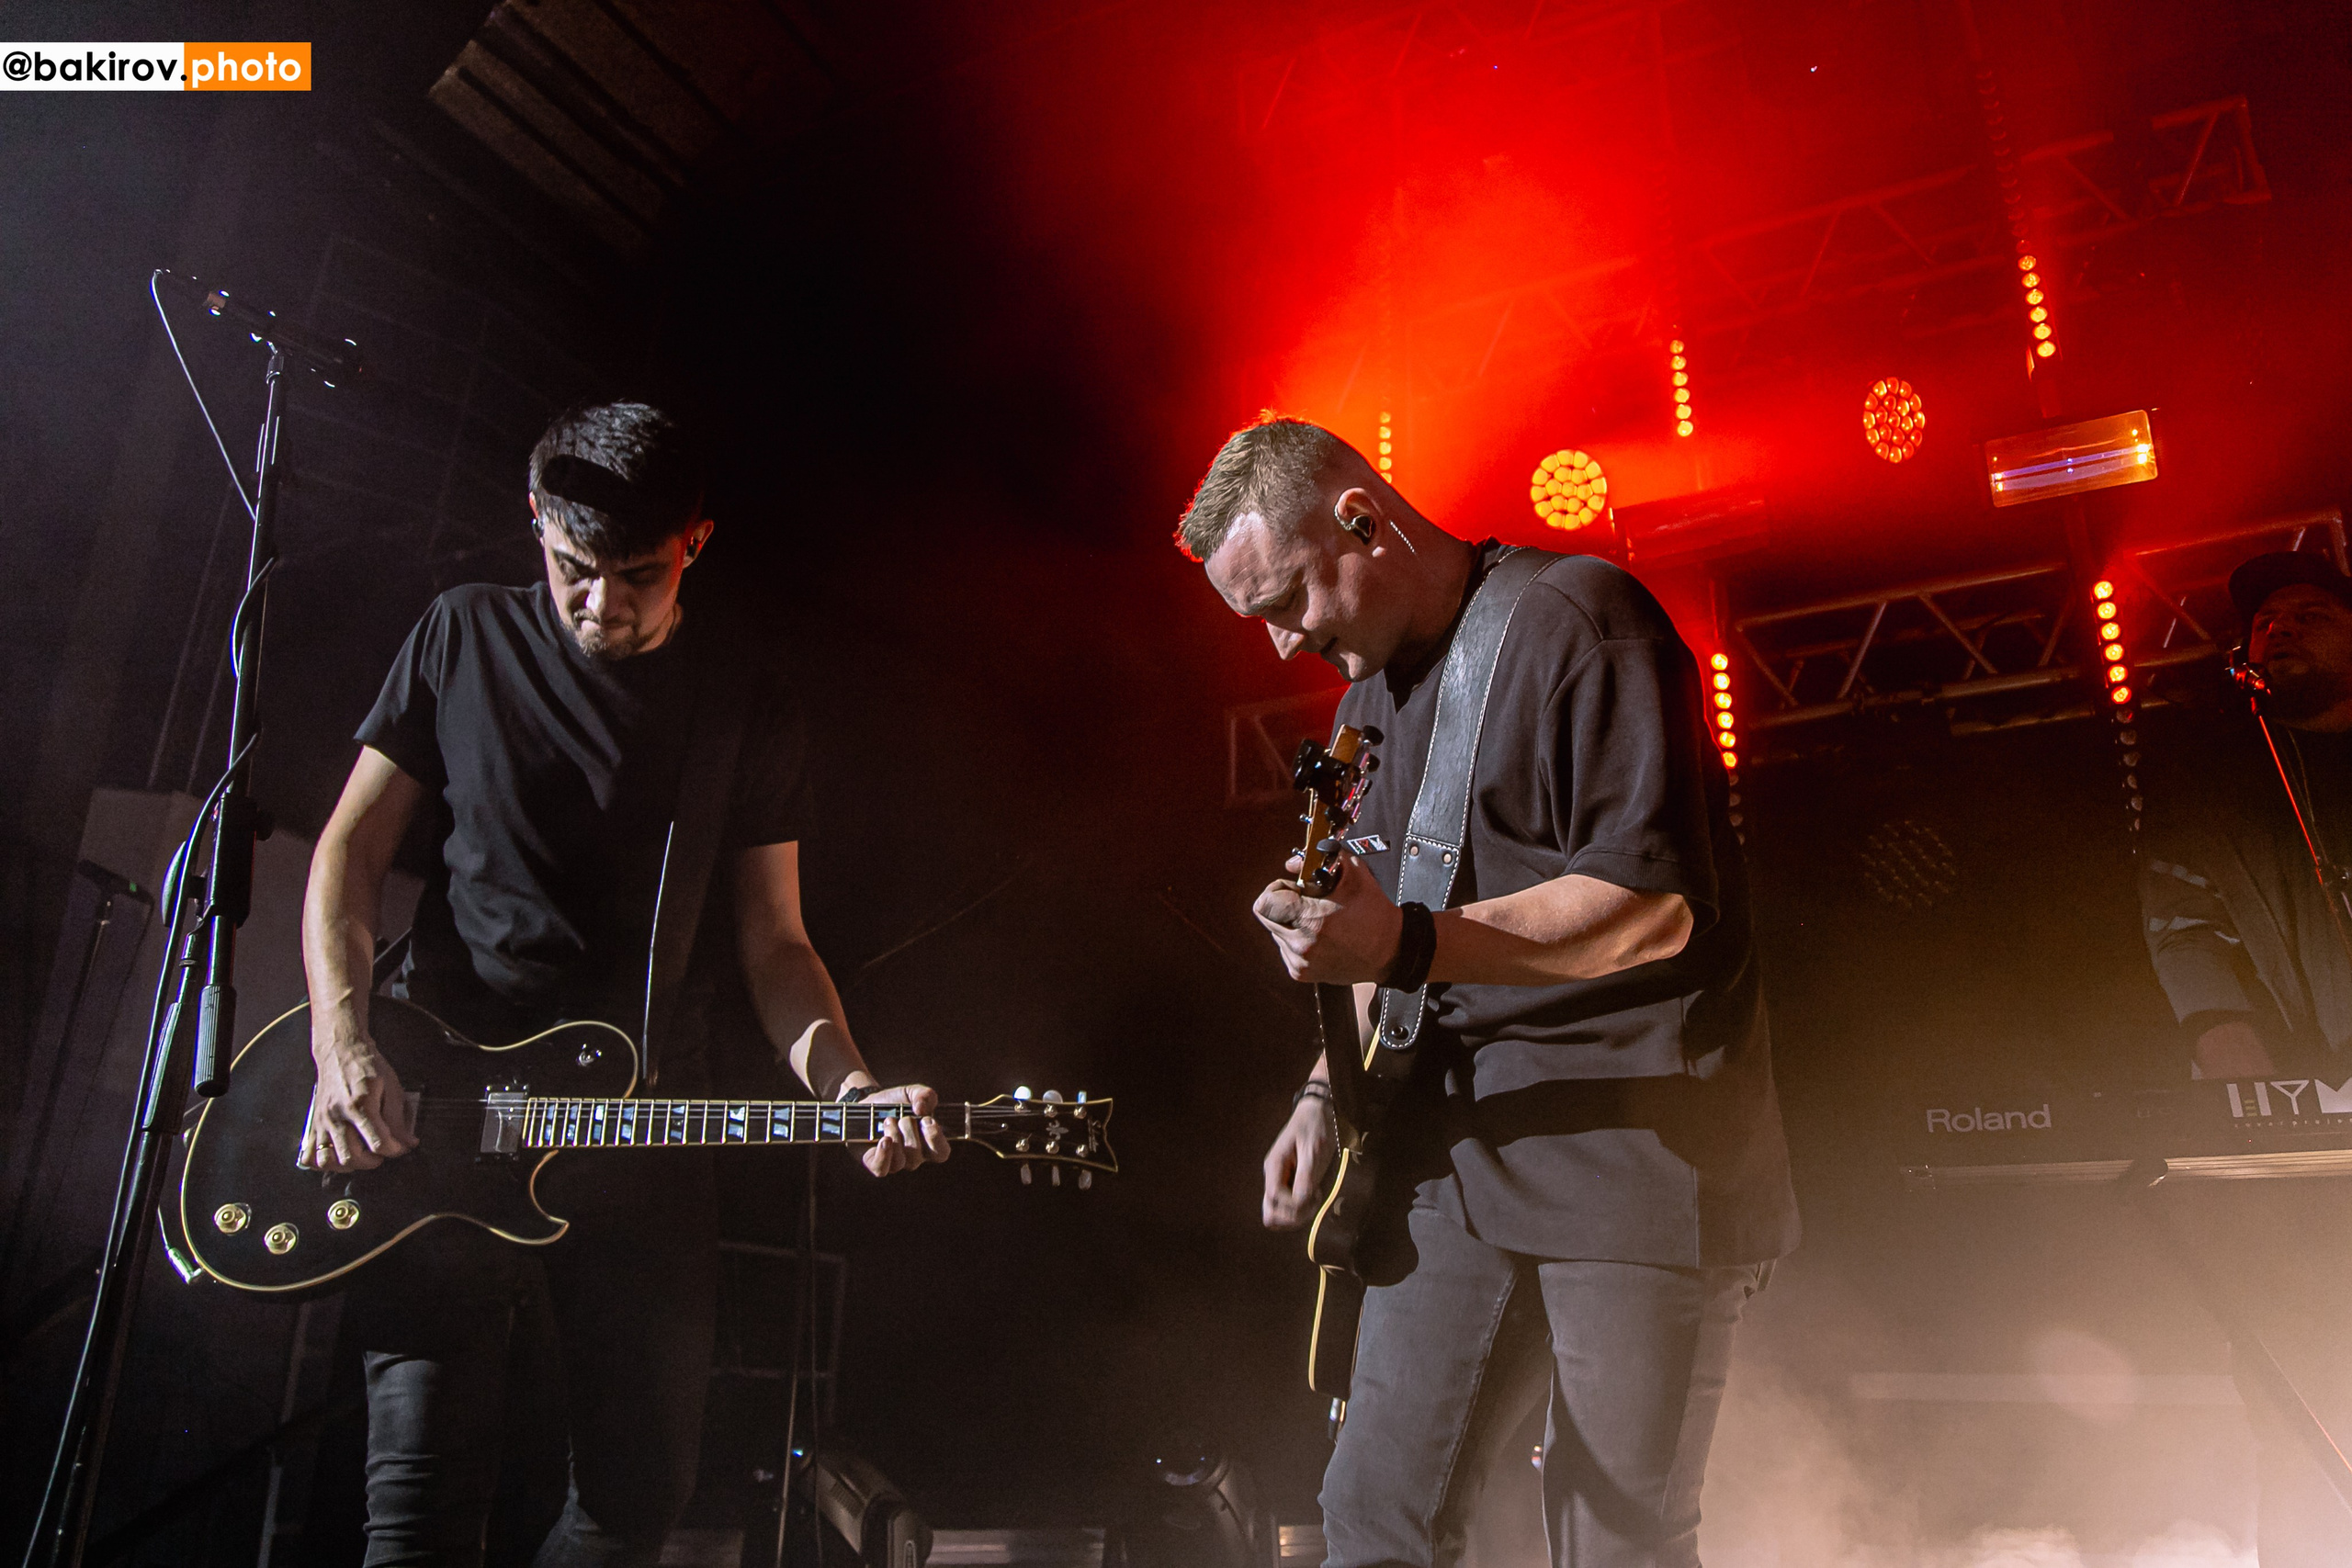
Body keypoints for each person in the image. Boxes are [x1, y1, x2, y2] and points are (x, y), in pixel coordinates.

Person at [298, 400, 950, 1566]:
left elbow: (775, 947)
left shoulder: (745, 706)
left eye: (635, 574)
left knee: (636, 1504)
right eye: (571, 568)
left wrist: (850, 1087)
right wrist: (344, 1048)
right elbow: (349, 851)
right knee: (418, 1513)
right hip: (448, 1114)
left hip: (645, 1128)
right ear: (534, 525)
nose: (600, 602)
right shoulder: (460, 635)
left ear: (695, 542)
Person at [1177, 417, 1799, 1568]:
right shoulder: (1366, 698)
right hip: (1459, 1152)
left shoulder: (1582, 619)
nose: (1278, 645)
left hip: (1640, 1148)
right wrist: (1325, 1088)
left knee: (1615, 1540)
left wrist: (1402, 942)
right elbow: (1390, 930)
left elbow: (1648, 904)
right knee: (1374, 1517)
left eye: (1285, 602)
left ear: (1361, 518)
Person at [2137, 549, 2352, 1565]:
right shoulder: (2218, 780)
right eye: (2265, 618)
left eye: (2311, 612)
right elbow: (2181, 921)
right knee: (2294, 1378)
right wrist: (2222, 1034)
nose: (2280, 627)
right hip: (2302, 1139)